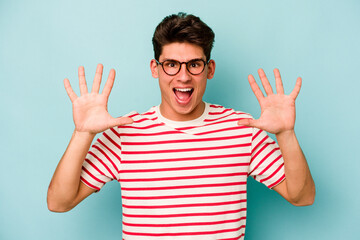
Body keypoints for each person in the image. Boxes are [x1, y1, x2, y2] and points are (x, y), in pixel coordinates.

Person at [47, 12, 315, 239]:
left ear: (209, 69)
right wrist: (81, 134)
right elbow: (58, 202)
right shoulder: (124, 132)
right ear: (155, 68)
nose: (183, 77)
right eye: (172, 65)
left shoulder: (243, 129)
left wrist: (286, 134)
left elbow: (302, 197)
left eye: (194, 64)